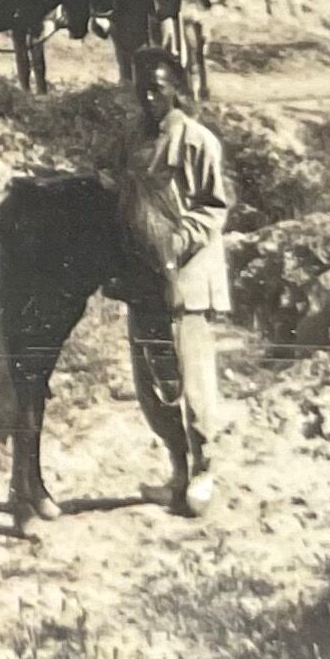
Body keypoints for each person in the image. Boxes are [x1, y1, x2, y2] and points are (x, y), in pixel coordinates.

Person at [122, 51, 233, 517]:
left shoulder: (196, 141)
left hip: (185, 277)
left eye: (158, 88)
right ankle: (177, 469)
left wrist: (174, 241)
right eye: (142, 88)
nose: (150, 97)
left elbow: (212, 207)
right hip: (143, 276)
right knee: (152, 380)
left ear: (177, 89)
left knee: (192, 381)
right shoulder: (132, 140)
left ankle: (204, 470)